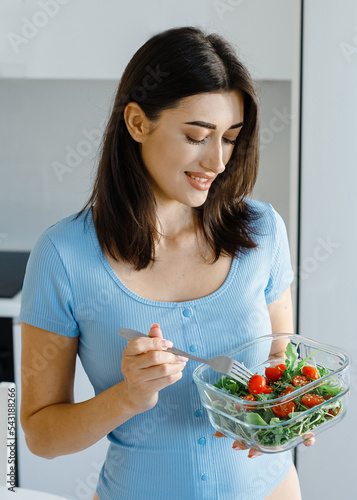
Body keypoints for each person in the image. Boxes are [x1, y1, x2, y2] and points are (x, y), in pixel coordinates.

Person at [20, 26, 314, 500]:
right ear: (137, 123)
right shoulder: (64, 256)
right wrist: (127, 397)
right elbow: (41, 436)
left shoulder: (262, 231)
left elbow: (280, 359)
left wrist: (287, 411)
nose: (218, 161)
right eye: (198, 135)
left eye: (230, 138)